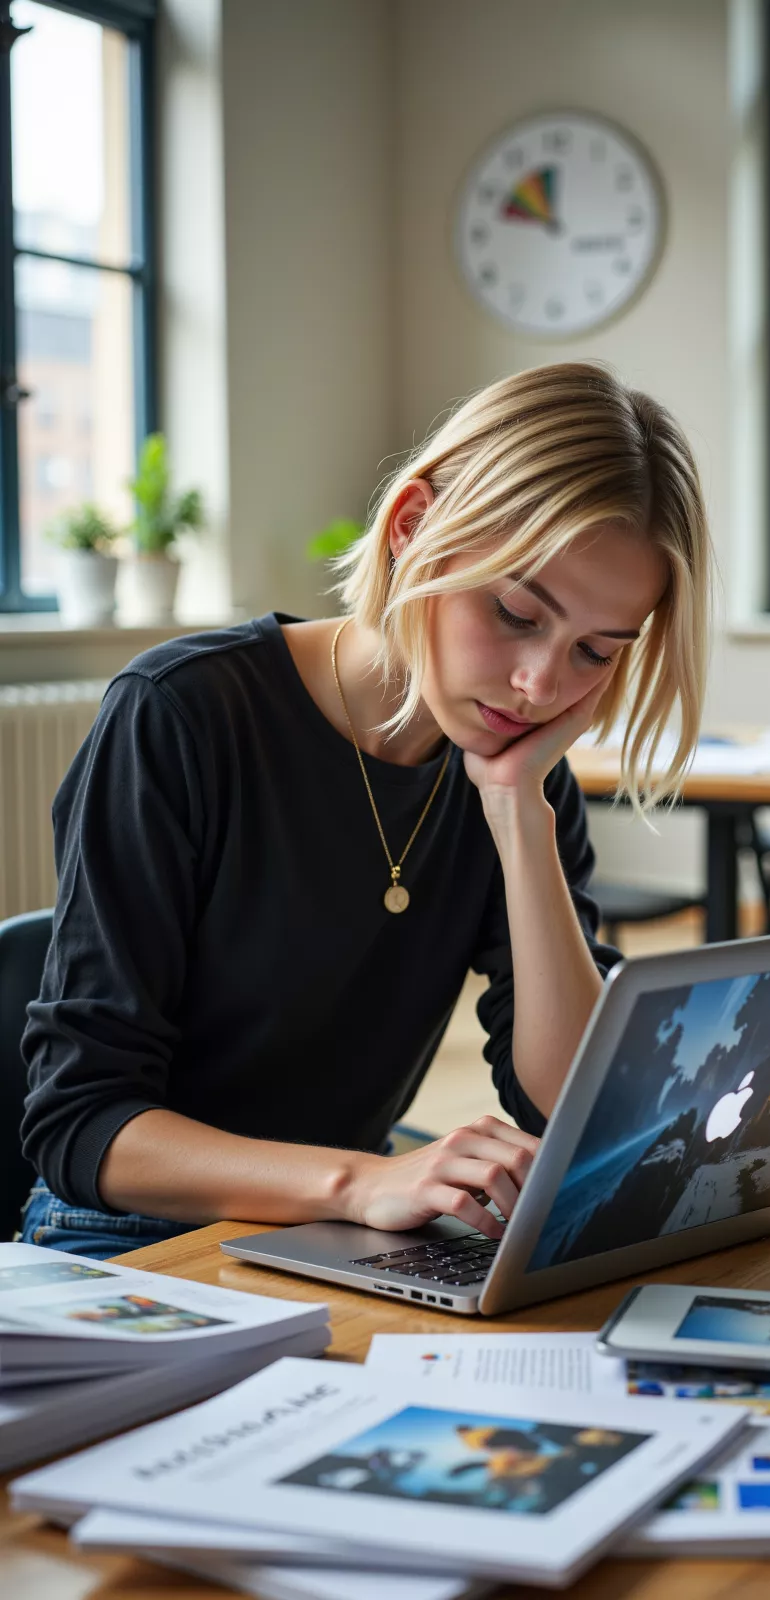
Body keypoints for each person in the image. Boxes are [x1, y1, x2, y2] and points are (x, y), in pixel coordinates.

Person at [19, 361, 712, 1259]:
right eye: (513, 612)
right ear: (414, 528)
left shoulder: (516, 770)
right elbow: (82, 1122)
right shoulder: (181, 713)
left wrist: (517, 815)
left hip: (338, 1227)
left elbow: (569, 1104)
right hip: (127, 1237)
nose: (540, 684)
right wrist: (361, 1181)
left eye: (595, 652)